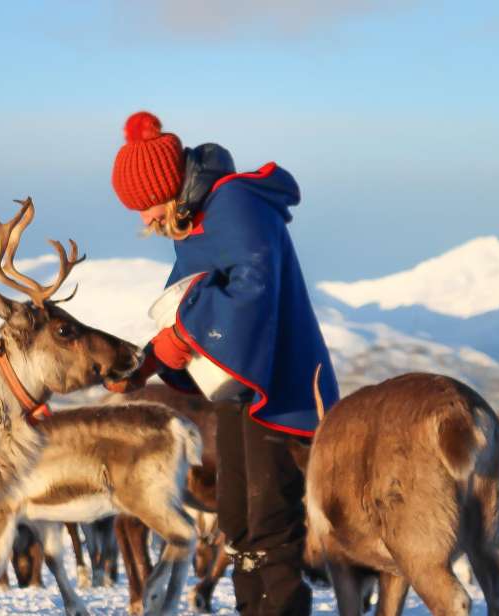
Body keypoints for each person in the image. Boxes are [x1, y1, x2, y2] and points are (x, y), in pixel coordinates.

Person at [104, 111, 339, 615]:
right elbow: (186, 298)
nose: (144, 219)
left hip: (279, 388)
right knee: (236, 520)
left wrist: (183, 334)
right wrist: (148, 364)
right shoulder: (193, 220)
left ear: (166, 185)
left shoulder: (234, 205)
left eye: (145, 205)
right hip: (237, 388)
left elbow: (255, 288)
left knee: (270, 521)